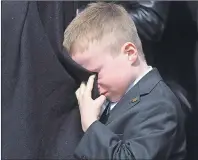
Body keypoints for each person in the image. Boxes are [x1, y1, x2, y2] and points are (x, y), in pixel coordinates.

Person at [63, 2, 186, 160]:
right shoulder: (109, 98)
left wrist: (92, 126)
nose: (91, 82)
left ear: (129, 53)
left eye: (96, 72)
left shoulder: (159, 106)